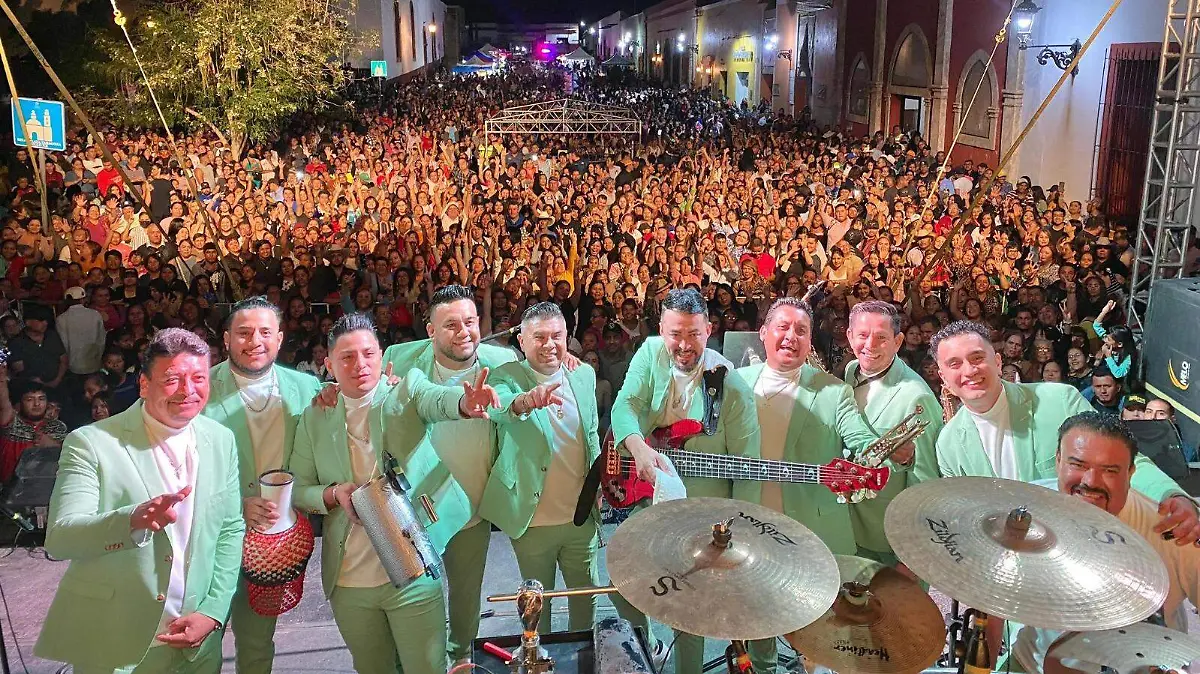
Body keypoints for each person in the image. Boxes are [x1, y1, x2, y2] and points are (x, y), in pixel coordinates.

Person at [290, 312, 500, 674]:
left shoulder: (405, 389)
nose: (361, 365)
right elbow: (299, 488)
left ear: (382, 355)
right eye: (347, 357)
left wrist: (466, 404)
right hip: (350, 581)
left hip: (413, 570)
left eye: (369, 354)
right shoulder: (315, 416)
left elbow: (438, 400)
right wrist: (334, 494)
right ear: (329, 365)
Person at [34, 329, 244, 673]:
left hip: (197, 644)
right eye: (173, 379)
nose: (188, 391)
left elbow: (231, 529)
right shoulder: (92, 443)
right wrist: (132, 519)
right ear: (144, 385)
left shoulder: (220, 439)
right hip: (116, 644)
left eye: (198, 378)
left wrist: (214, 611)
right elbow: (61, 537)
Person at [929, 320, 1200, 544]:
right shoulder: (949, 444)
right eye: (954, 364)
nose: (969, 370)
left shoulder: (1059, 401)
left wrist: (1169, 495)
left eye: (977, 358)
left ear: (998, 362)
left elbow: (1122, 461)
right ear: (943, 377)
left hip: (1078, 552)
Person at [611, 288, 761, 674]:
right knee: (614, 578)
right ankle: (645, 645)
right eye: (675, 333)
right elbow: (626, 404)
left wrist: (739, 527)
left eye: (693, 334)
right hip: (646, 492)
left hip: (700, 509)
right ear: (661, 329)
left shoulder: (731, 386)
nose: (683, 344)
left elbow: (748, 466)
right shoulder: (648, 354)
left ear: (709, 330)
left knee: (690, 606)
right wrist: (638, 448)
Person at [1010, 412, 1200, 673]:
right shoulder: (1024, 511)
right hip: (1031, 663)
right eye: (1077, 465)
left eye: (1109, 470)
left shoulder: (1174, 532)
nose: (1090, 481)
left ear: (1131, 472)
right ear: (1057, 461)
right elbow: (990, 602)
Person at [201, 296, 324, 674]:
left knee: (257, 643)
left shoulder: (309, 389)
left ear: (280, 338)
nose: (255, 340)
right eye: (244, 332)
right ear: (226, 338)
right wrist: (234, 504)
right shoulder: (199, 388)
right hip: (209, 538)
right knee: (200, 644)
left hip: (273, 541)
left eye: (265, 332)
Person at [482, 302, 601, 633]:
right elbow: (500, 407)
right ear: (522, 341)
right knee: (537, 607)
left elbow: (590, 434)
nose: (550, 344)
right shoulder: (506, 377)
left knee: (586, 600)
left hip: (580, 518)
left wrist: (599, 485)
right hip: (532, 520)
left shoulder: (584, 374)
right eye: (540, 337)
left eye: (557, 336)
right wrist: (527, 401)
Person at [841, 301, 943, 565]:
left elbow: (926, 482)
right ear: (850, 336)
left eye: (881, 338)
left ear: (898, 342)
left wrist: (913, 556)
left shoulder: (916, 396)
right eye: (862, 335)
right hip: (846, 528)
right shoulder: (852, 371)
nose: (870, 345)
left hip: (887, 540)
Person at [0, 374, 67, 482]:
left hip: (45, 492)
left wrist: (53, 445)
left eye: (41, 399)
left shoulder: (58, 427)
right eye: (30, 399)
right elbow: (4, 404)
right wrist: (2, 380)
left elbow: (70, 458)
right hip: (9, 493)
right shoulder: (11, 422)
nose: (37, 404)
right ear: (20, 403)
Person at [57, 285, 106, 377]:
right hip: (94, 363)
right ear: (83, 299)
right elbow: (101, 340)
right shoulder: (95, 315)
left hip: (73, 366)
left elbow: (63, 344)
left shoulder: (61, 319)